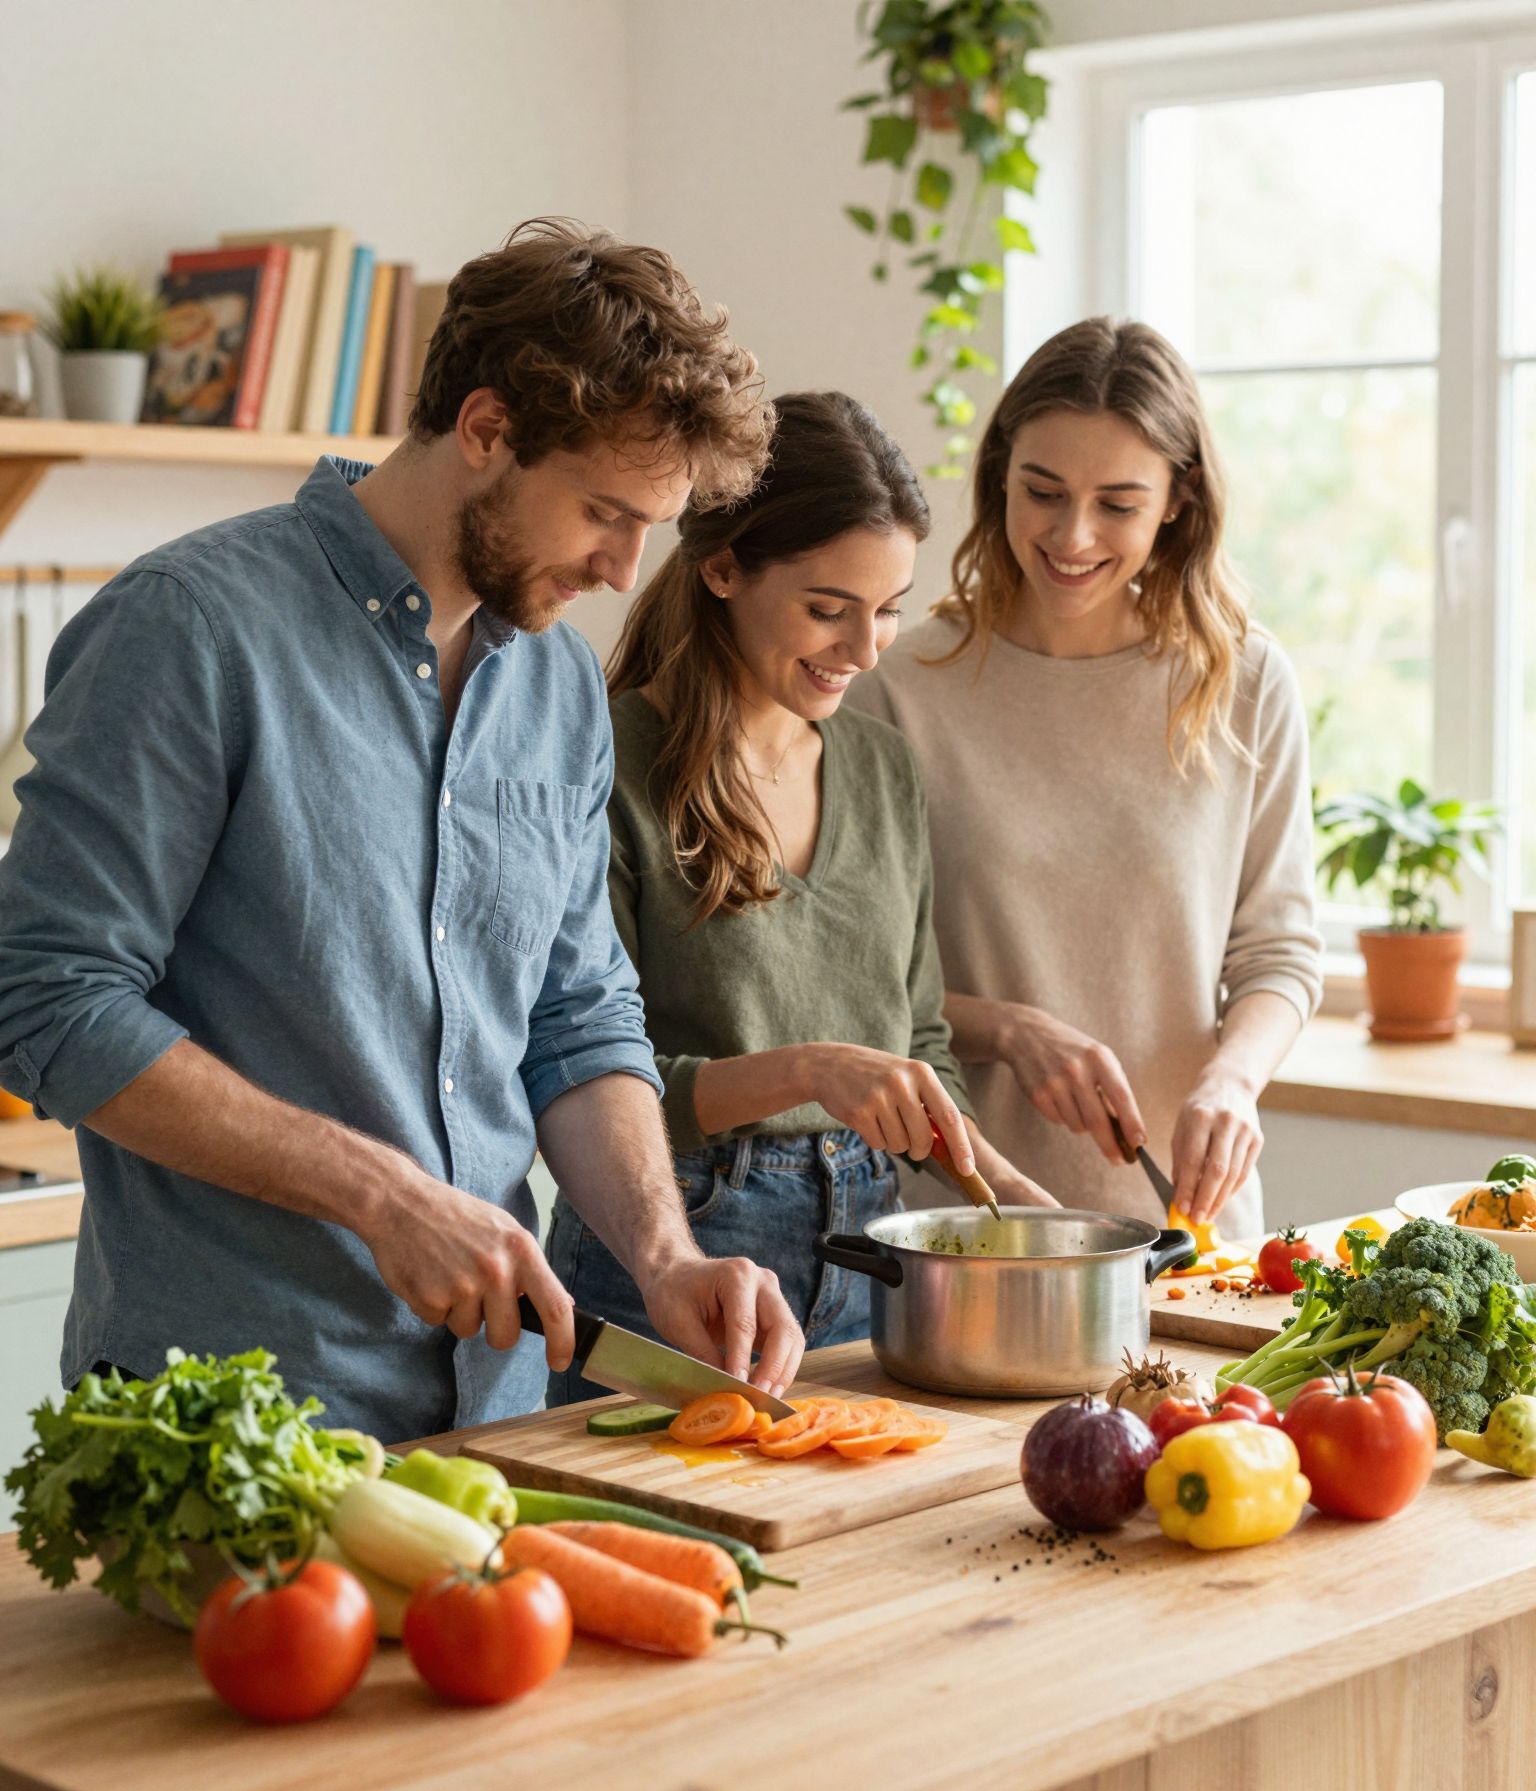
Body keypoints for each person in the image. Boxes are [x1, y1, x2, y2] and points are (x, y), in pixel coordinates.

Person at [0, 218, 806, 1440]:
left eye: (655, 525)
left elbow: (574, 1011)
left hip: (492, 1404)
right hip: (225, 1411)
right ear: (486, 429)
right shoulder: (191, 628)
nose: (625, 567)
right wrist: (384, 1195)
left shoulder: (555, 687)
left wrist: (663, 1256)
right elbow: (45, 996)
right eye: (603, 510)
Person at [547, 391, 1054, 1400]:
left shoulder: (881, 767)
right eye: (829, 608)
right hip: (681, 1251)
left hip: (875, 1248)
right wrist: (812, 1070)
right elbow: (591, 1064)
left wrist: (1018, 1201)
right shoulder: (604, 756)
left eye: (890, 608)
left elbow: (919, 1049)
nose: (867, 650)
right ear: (724, 567)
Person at [851, 318, 1323, 1244]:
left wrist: (1232, 1080)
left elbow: (1278, 951)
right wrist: (1011, 1030)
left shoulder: (1247, 682)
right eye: (1044, 492)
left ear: (1179, 500)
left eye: (1118, 503)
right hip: (972, 1224)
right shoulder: (899, 686)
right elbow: (856, 982)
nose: (1072, 536)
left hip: (1192, 1231)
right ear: (1000, 478)